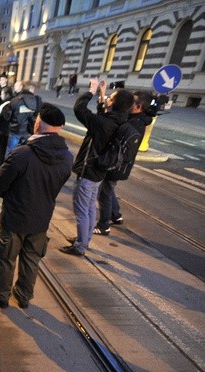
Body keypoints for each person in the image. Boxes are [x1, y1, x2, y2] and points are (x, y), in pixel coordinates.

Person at [0, 104, 73, 308]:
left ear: (38, 124)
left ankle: (2, 293)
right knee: (32, 259)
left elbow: (1, 185)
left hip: (15, 216)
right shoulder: (67, 157)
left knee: (7, 257)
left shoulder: (22, 154)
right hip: (42, 218)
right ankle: (24, 295)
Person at [59, 80, 134, 256]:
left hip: (89, 170)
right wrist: (101, 95)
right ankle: (84, 239)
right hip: (100, 172)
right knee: (91, 207)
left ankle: (80, 246)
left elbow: (79, 109)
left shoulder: (102, 123)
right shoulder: (120, 121)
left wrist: (90, 91)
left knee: (81, 210)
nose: (108, 98)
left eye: (110, 97)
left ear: (114, 103)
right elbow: (103, 117)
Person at [94, 90, 153, 235]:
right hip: (122, 163)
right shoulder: (138, 120)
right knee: (109, 189)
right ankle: (116, 215)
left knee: (104, 193)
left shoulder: (133, 123)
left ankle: (103, 225)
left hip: (116, 163)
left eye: (132, 102)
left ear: (138, 106)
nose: (128, 104)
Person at [5, 81, 42, 157]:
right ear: (32, 89)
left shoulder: (15, 100)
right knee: (25, 153)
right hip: (28, 131)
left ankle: (9, 167)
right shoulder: (37, 101)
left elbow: (7, 116)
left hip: (15, 130)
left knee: (10, 152)